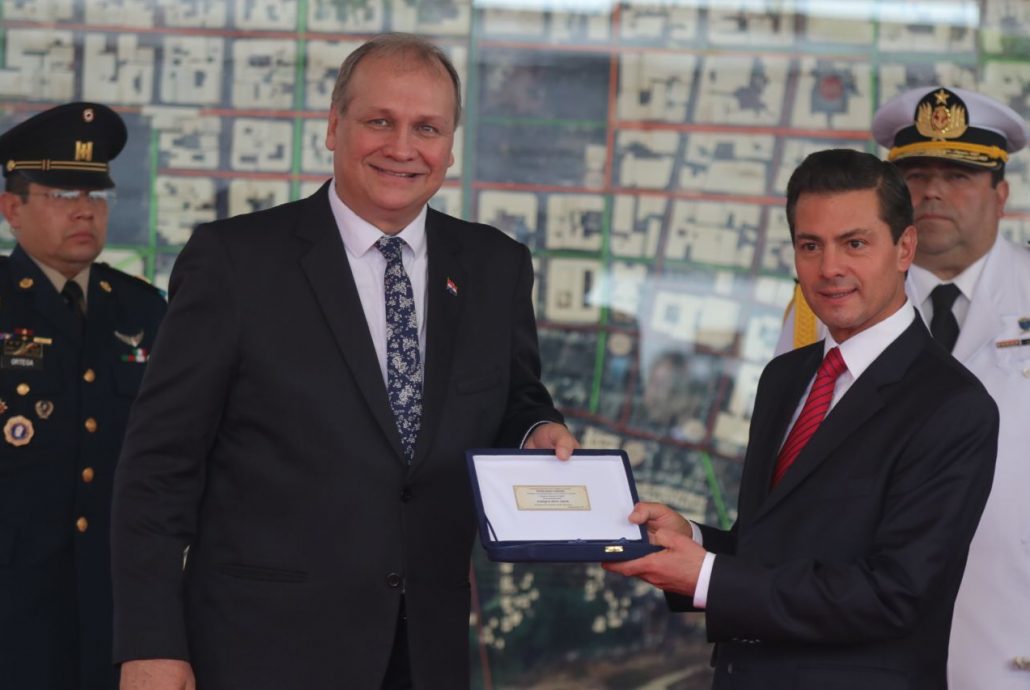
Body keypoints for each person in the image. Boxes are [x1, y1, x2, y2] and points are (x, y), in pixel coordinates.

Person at [110, 33, 576, 690]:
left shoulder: (496, 266)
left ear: (450, 147)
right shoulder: (234, 263)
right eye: (379, 121)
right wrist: (151, 644)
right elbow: (158, 468)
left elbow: (514, 397)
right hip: (261, 653)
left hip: (426, 653)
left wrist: (535, 431)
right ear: (334, 127)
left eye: (427, 128)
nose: (403, 147)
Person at [605, 149, 998, 689]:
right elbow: (775, 548)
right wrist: (691, 540)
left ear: (905, 247)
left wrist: (709, 576)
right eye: (810, 245)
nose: (829, 268)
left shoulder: (952, 406)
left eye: (854, 244)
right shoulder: (785, 377)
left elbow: (894, 595)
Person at [777, 86, 1030, 689]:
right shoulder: (823, 307)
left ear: (1001, 194)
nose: (933, 193)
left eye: (959, 176)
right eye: (916, 176)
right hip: (859, 640)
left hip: (1011, 629)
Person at [0, 102, 167, 689]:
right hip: (13, 601)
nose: (84, 211)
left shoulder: (143, 309)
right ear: (12, 209)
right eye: (62, 195)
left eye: (95, 196)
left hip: (112, 602)